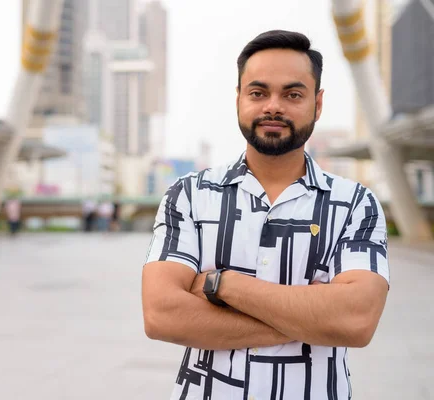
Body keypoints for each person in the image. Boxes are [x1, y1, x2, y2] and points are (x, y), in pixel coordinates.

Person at [142, 30, 389, 400]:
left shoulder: (355, 203)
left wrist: (221, 285)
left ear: (317, 104)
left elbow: (356, 321)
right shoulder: (190, 196)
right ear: (239, 99)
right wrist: (313, 318)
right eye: (258, 93)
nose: (273, 106)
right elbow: (161, 314)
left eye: (293, 94)